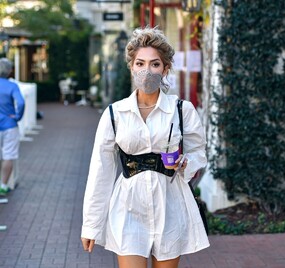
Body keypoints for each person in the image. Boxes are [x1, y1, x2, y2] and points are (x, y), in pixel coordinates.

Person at [81, 27, 209, 268]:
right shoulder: (114, 114)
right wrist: (91, 224)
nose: (147, 71)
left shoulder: (182, 110)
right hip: (128, 206)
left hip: (170, 204)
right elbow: (100, 172)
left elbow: (198, 153)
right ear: (131, 67)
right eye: (140, 63)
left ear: (165, 69)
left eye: (155, 64)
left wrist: (186, 163)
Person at [0, 58, 25, 196]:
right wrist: (17, 116)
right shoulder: (12, 86)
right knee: (8, 155)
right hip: (9, 125)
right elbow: (20, 103)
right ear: (9, 71)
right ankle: (3, 186)